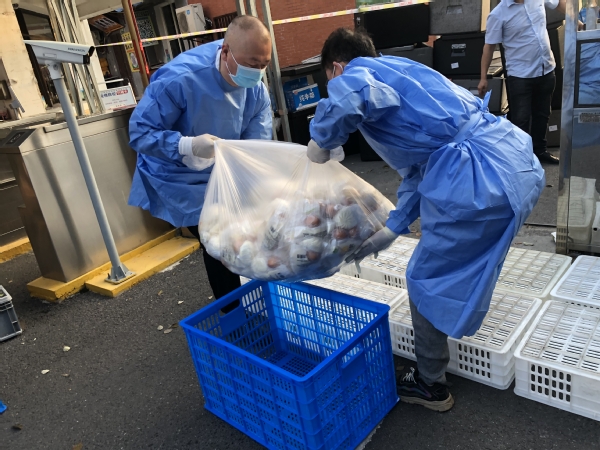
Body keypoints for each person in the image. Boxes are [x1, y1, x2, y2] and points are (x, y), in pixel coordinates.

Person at [307, 28, 545, 412]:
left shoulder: (358, 74)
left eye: (330, 78)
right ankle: (448, 328)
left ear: (336, 67)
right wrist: (392, 227)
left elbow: (352, 94)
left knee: (425, 277)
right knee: (470, 259)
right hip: (515, 163)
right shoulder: (403, 71)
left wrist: (321, 139)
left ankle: (430, 384)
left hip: (479, 181)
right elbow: (426, 164)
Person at [128, 16, 273, 300]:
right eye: (252, 64)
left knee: (252, 230)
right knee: (219, 240)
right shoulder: (181, 79)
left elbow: (256, 143)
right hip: (179, 173)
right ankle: (233, 311)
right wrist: (186, 145)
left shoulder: (256, 88)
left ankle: (256, 299)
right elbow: (140, 132)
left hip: (224, 169)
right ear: (226, 51)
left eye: (264, 64)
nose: (257, 72)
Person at [479, 0, 567, 165]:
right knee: (521, 119)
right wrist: (483, 77)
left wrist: (576, 20)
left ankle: (540, 151)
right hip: (520, 76)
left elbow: (559, 4)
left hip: (545, 68)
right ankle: (522, 159)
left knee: (542, 114)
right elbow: (489, 47)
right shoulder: (498, 14)